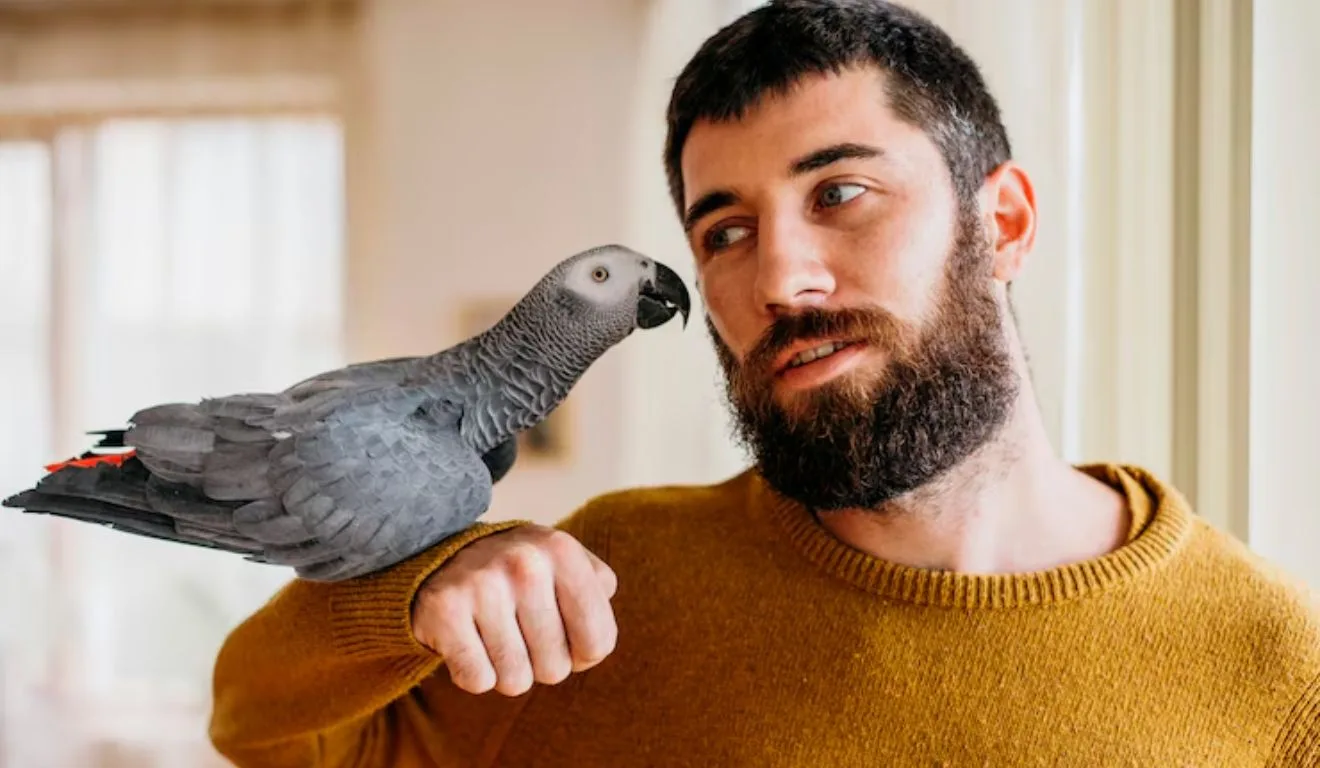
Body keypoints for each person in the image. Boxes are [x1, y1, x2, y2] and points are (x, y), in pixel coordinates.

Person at [208, 1, 1320, 764]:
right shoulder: (605, 589)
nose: (779, 276)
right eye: (726, 230)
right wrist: (408, 594)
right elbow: (262, 729)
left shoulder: (1273, 665)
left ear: (1005, 222)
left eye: (840, 194)